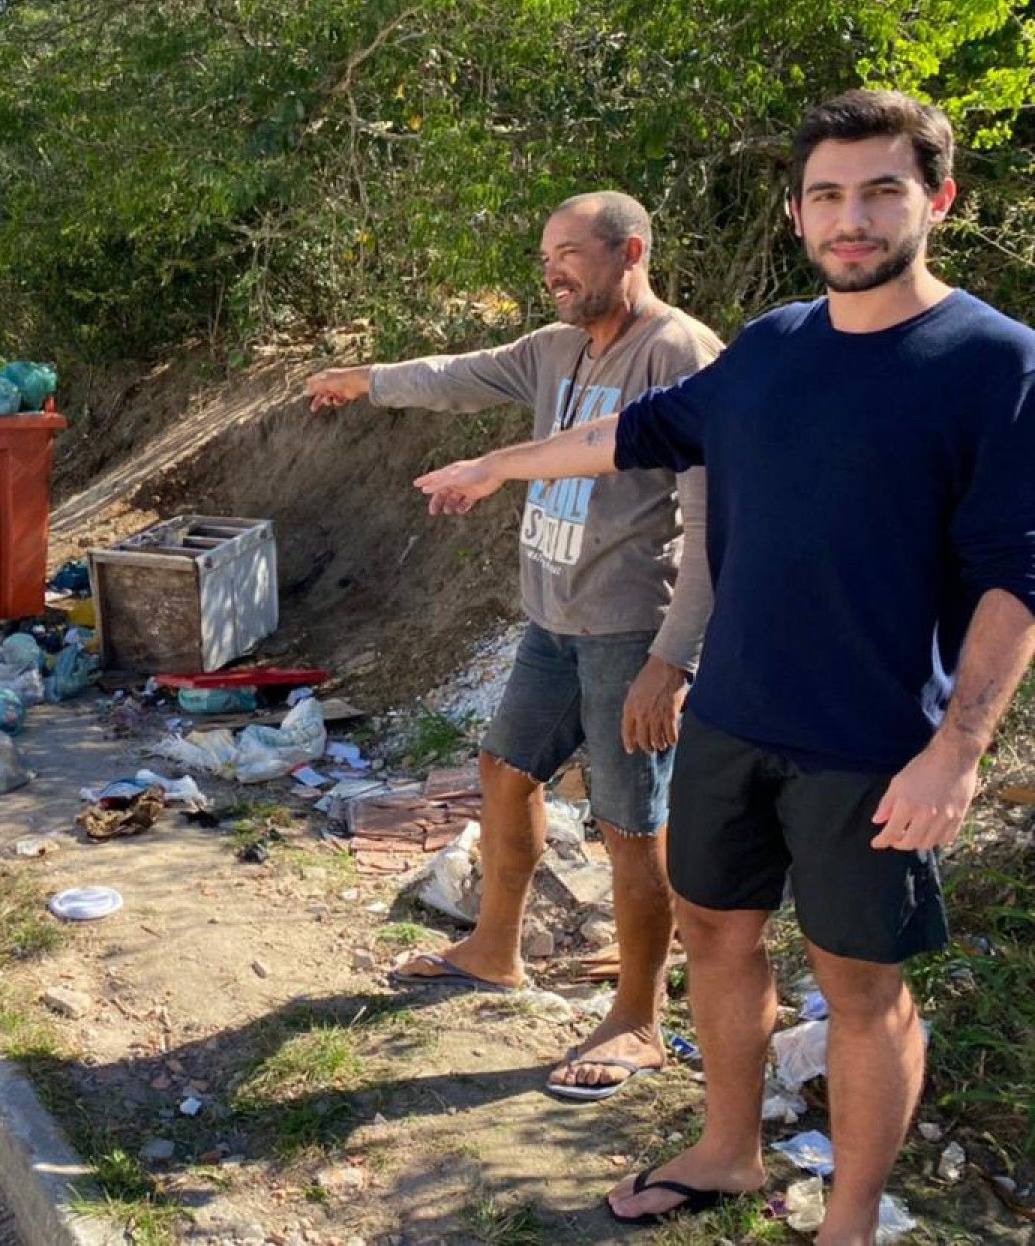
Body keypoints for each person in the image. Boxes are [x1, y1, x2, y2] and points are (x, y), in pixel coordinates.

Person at [414, 90, 1035, 1242]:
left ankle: (850, 1218)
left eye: (881, 191)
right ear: (799, 214)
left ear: (937, 199)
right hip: (735, 718)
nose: (852, 218)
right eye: (827, 196)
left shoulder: (996, 362)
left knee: (859, 987)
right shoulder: (777, 346)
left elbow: (1017, 574)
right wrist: (499, 463)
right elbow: (636, 434)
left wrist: (957, 754)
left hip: (876, 741)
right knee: (716, 932)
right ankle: (729, 1151)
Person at [305, 191, 722, 1101]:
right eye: (546, 257)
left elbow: (712, 523)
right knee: (504, 771)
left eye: (571, 253)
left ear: (631, 251)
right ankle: (495, 949)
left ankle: (640, 1016)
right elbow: (458, 372)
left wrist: (674, 659)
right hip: (552, 622)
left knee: (630, 826)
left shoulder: (680, 352)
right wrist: (366, 379)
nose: (553, 271)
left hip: (629, 629)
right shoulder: (555, 348)